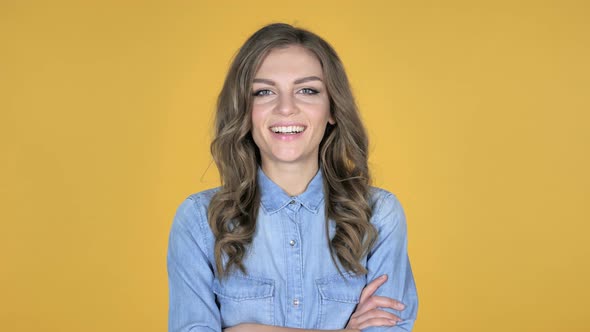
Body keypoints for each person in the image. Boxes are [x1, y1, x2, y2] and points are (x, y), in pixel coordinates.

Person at [167, 23, 418, 332]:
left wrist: (246, 329)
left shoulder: (379, 214)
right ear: (244, 111)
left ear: (332, 109)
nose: (286, 108)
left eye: (307, 90)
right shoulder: (199, 220)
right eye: (264, 92)